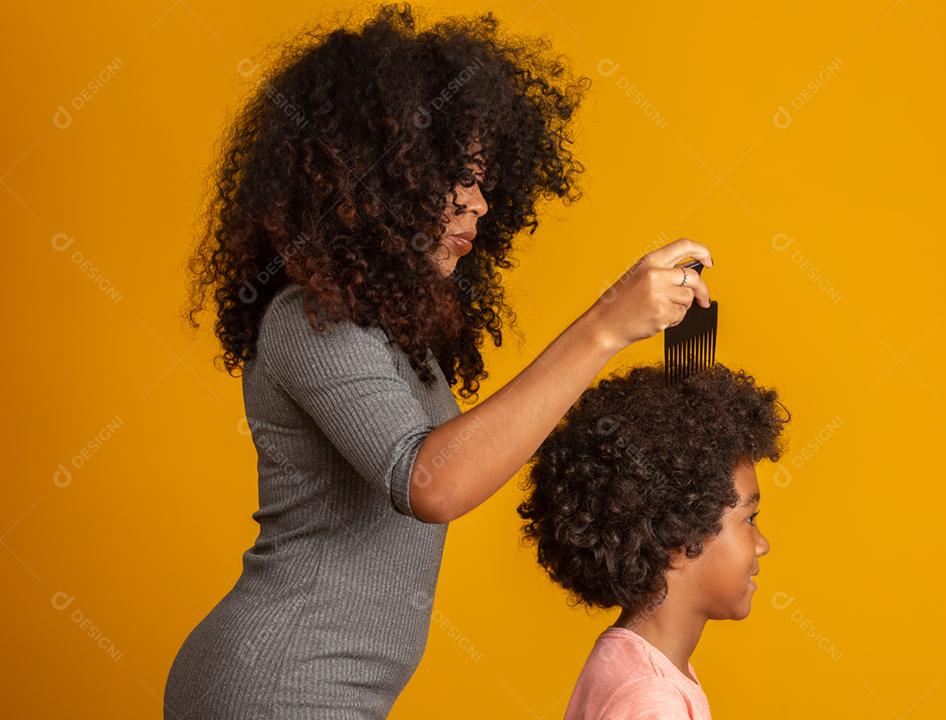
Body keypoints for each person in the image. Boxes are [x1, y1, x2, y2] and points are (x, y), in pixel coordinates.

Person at [164, 4, 714, 718]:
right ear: (375, 177)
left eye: (487, 179)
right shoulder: (307, 319)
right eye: (459, 177)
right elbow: (430, 481)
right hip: (278, 686)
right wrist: (606, 325)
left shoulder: (395, 332)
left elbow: (485, 446)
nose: (482, 204)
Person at [517, 363, 790, 719]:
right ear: (679, 534)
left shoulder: (641, 670)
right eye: (749, 519)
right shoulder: (651, 702)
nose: (762, 544)